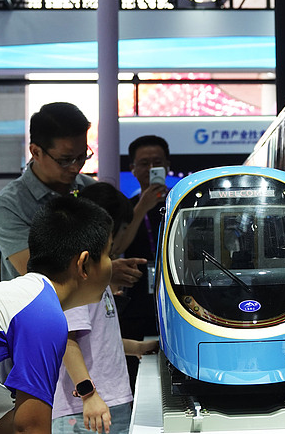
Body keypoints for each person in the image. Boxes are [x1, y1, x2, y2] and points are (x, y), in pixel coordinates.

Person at [0, 195, 113, 434]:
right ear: (84, 264)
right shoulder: (44, 315)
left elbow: (3, 424)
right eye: (111, 253)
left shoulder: (24, 298)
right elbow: (30, 428)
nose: (114, 264)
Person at [0, 102, 143, 288]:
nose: (76, 166)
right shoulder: (10, 204)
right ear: (36, 152)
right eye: (65, 160)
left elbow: (113, 247)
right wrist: (104, 273)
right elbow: (36, 273)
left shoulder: (90, 188)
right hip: (34, 312)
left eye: (82, 156)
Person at [52, 183, 158, 434]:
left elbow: (99, 340)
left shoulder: (98, 278)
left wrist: (139, 348)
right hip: (86, 409)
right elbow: (66, 341)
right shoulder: (79, 277)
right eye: (121, 229)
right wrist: (88, 395)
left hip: (108, 401)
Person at [118, 135, 170, 387]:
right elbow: (118, 247)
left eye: (157, 163)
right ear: (133, 169)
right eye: (143, 163)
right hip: (137, 299)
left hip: (175, 295)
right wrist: (140, 208)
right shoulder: (125, 208)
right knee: (135, 372)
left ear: (167, 166)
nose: (150, 169)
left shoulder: (182, 202)